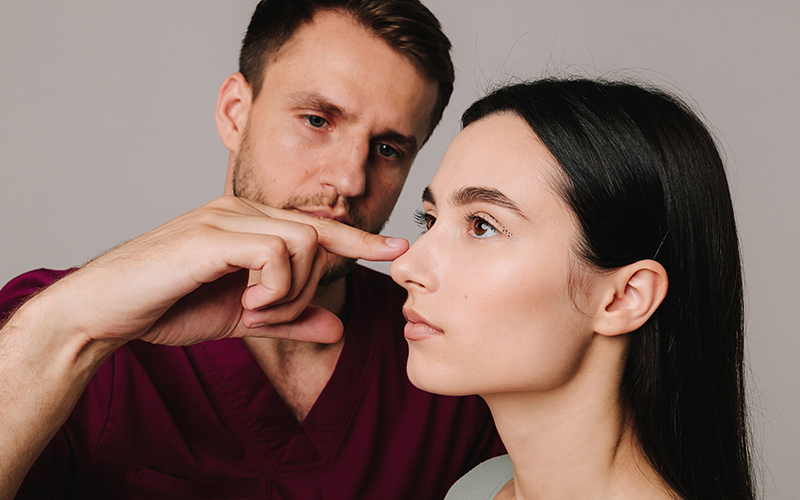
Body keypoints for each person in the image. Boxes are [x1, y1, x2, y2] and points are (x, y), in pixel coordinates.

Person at [0, 1, 503, 498]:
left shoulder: (445, 350)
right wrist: (72, 329)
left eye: (388, 149)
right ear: (234, 114)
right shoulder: (52, 316)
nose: (349, 179)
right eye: (317, 120)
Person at [391, 78, 756, 500]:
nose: (405, 267)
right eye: (431, 220)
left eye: (483, 225)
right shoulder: (476, 489)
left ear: (625, 296)